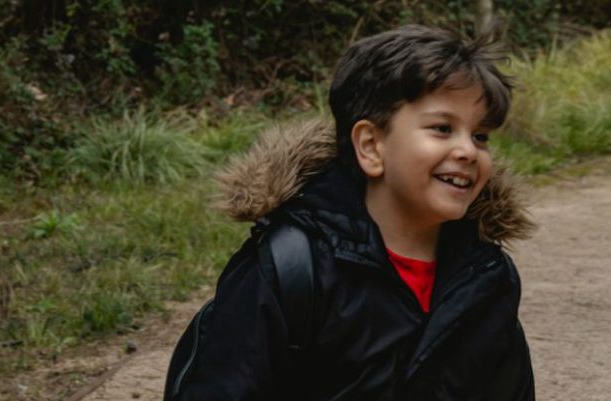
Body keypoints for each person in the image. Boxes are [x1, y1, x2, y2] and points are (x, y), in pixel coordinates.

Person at [178, 25, 536, 400]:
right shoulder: (291, 268)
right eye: (442, 128)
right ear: (370, 147)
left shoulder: (487, 276)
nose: (468, 151)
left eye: (480, 136)